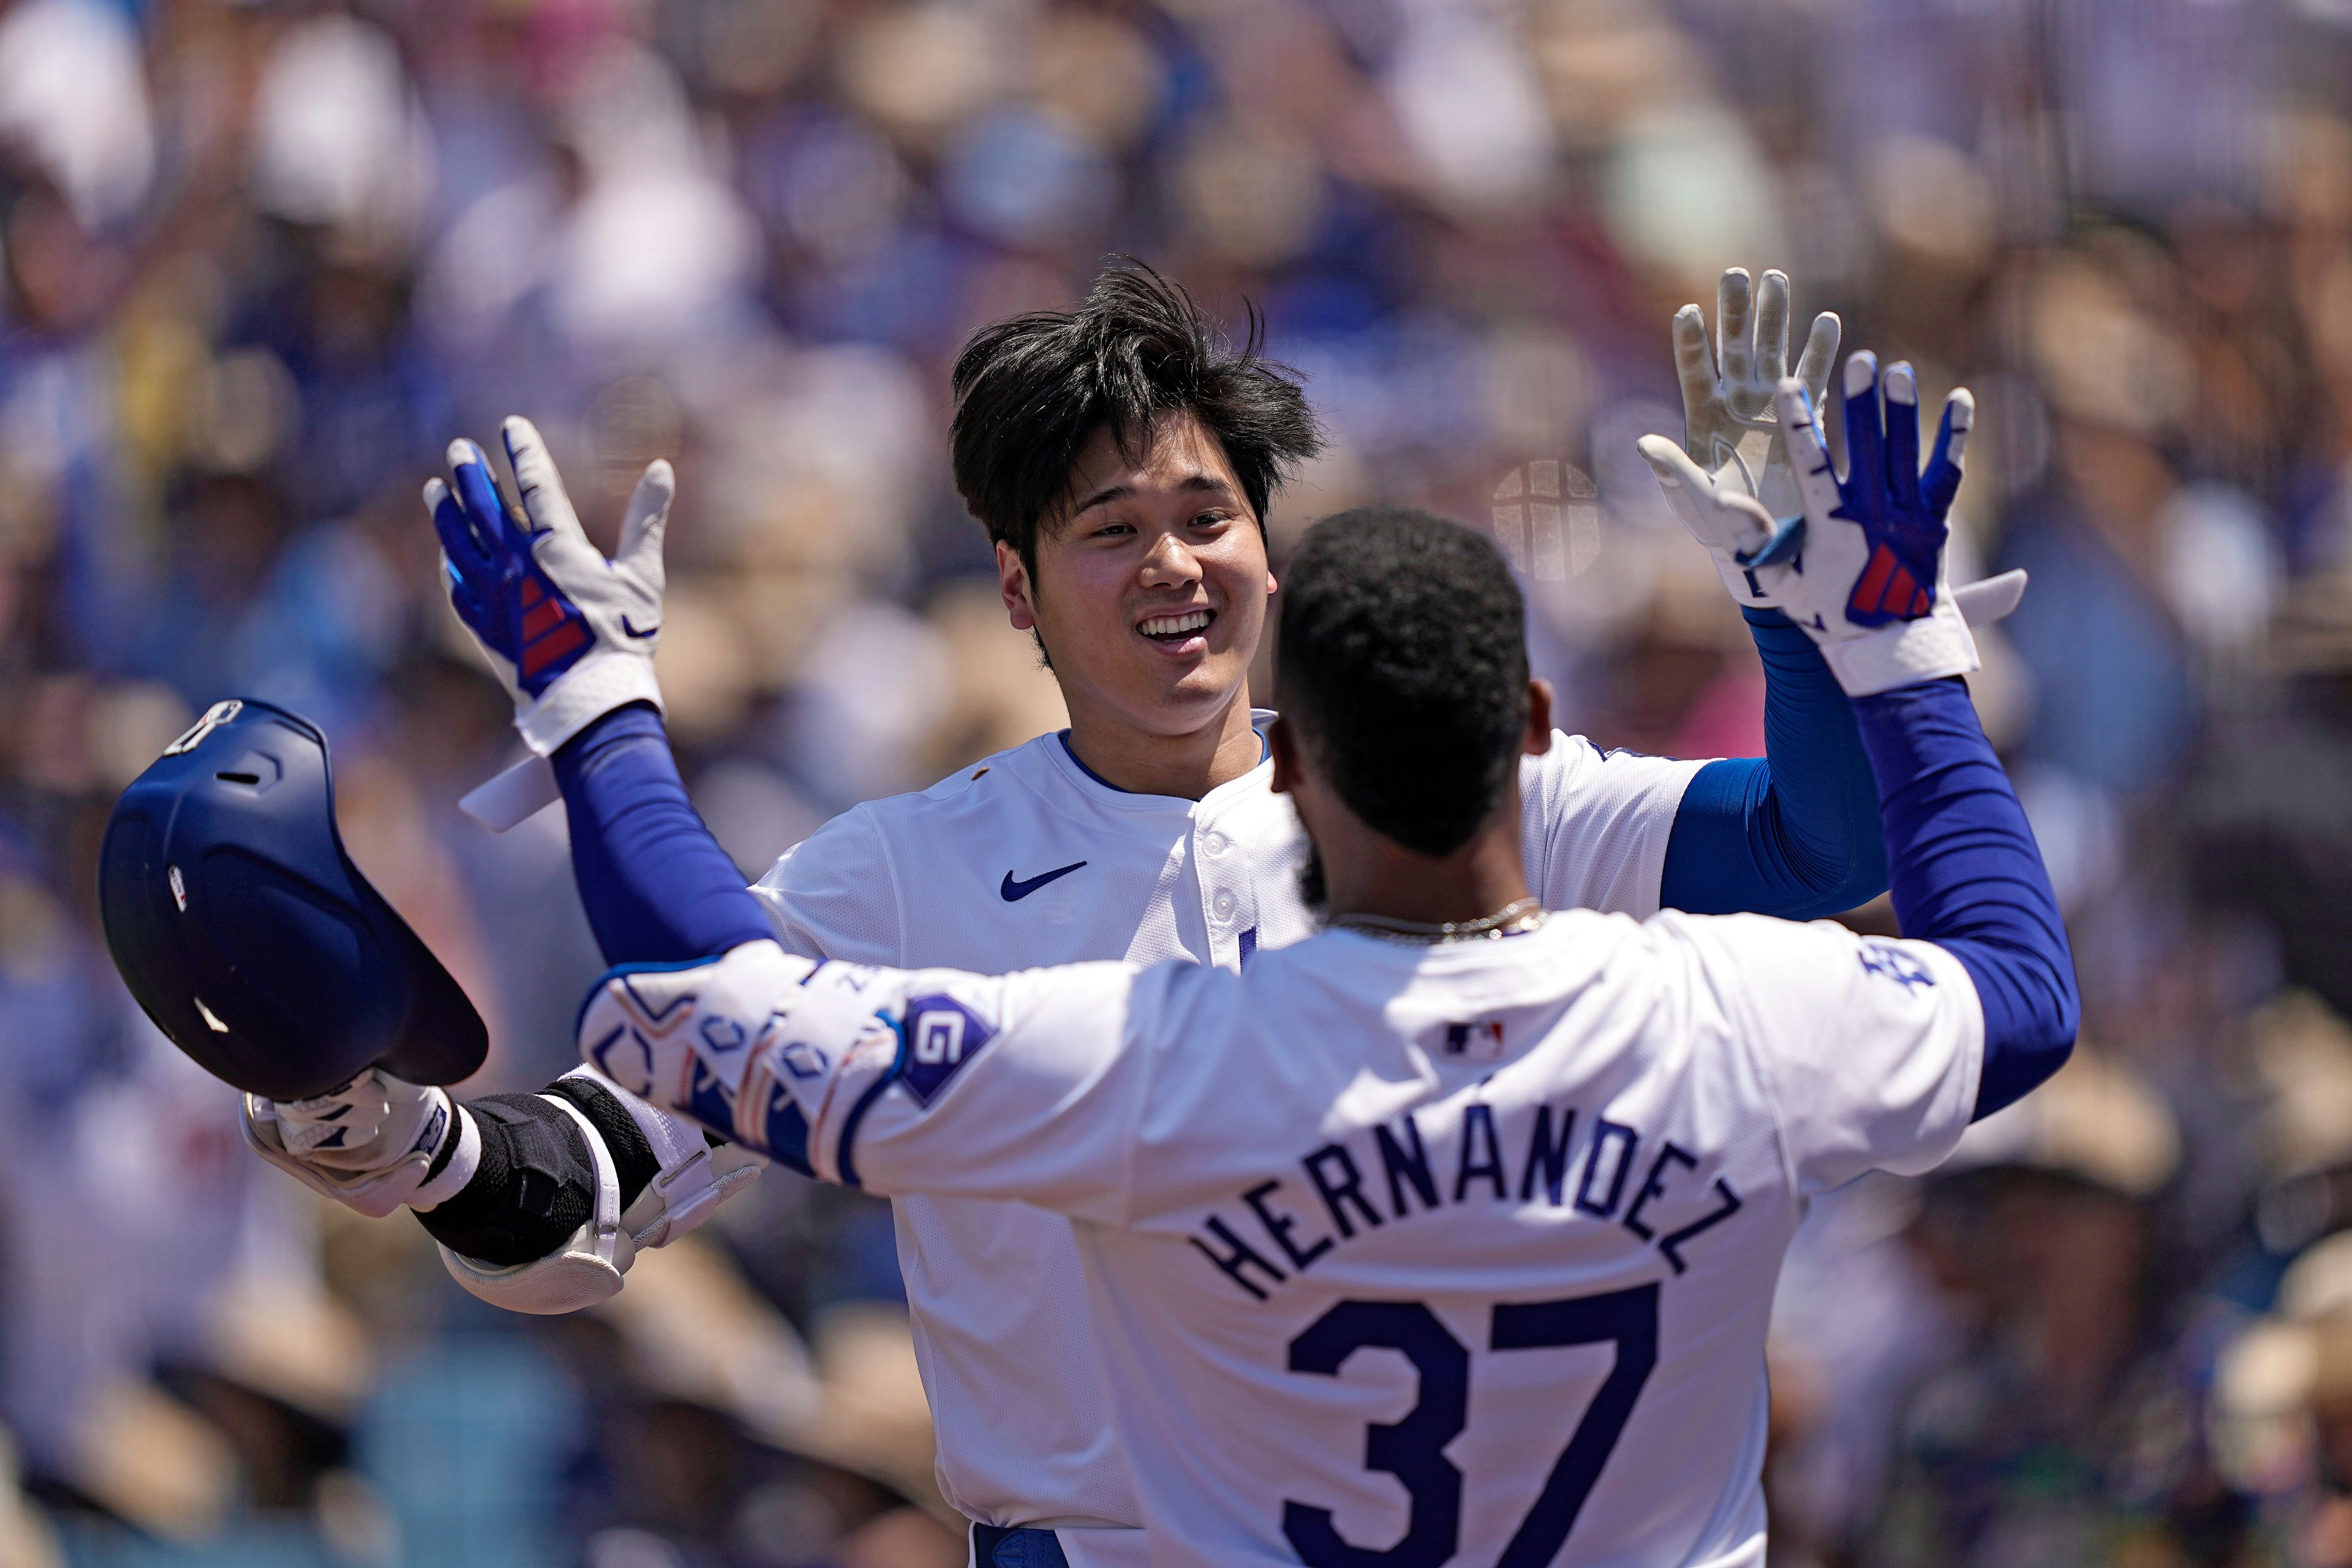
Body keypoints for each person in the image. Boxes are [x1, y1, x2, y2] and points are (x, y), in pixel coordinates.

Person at [243, 266, 1985, 1564]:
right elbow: (608, 1183)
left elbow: (1818, 849)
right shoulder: (898, 874)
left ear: (1274, 554)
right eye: (1107, 528)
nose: (1173, 563)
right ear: (1015, 589)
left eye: (1208, 515)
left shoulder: (1442, 802)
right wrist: (417, 1148)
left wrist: (1798, 605)